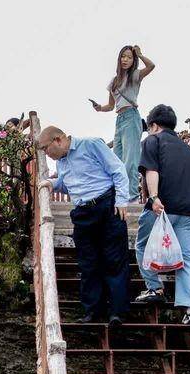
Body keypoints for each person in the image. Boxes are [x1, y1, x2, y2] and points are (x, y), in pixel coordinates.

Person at [38, 125, 130, 327]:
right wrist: (51, 184)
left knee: (114, 260)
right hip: (82, 212)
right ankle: (92, 311)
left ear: (58, 140)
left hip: (107, 205)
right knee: (88, 263)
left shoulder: (91, 145)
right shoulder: (62, 161)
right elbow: (66, 182)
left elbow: (118, 169)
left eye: (46, 148)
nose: (46, 154)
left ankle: (117, 312)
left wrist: (122, 201)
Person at [134, 104, 190, 327]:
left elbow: (151, 170)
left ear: (153, 125)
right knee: (189, 258)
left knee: (142, 245)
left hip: (163, 207)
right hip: (189, 211)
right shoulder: (187, 150)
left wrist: (154, 198)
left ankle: (155, 288)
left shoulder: (152, 141)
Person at [92, 44, 155, 202]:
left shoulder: (134, 75)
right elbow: (111, 105)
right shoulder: (114, 82)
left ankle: (132, 198)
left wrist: (139, 54)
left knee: (130, 161)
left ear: (133, 60)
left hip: (131, 117)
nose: (125, 59)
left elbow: (151, 66)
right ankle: (119, 196)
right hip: (119, 120)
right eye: (123, 56)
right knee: (117, 161)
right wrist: (99, 108)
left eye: (129, 57)